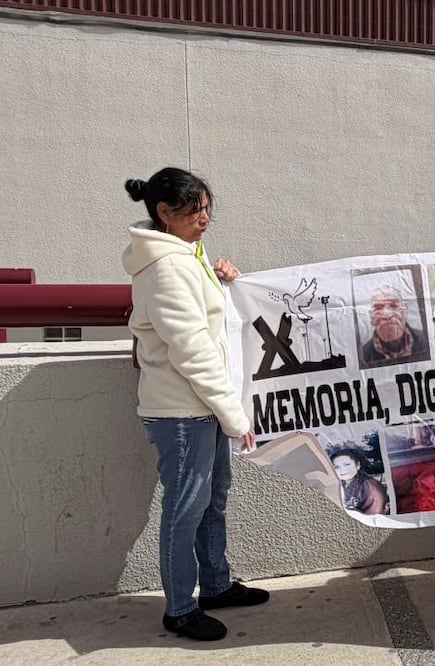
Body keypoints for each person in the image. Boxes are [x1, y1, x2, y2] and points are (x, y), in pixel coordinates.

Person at [122, 168, 268, 642]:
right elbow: (192, 349)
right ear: (164, 212)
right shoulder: (167, 267)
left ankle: (217, 584)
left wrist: (227, 278)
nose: (204, 218)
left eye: (207, 207)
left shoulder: (188, 255)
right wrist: (233, 413)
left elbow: (211, 322)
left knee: (212, 500)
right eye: (193, 209)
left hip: (199, 406)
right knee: (185, 508)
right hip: (182, 413)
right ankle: (180, 608)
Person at [361, 285, 429, 365]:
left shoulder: (428, 340)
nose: (387, 314)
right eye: (378, 308)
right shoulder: (363, 356)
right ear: (371, 317)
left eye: (394, 306)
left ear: (405, 312)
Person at [329, 445, 389, 515]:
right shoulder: (338, 485)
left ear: (357, 465)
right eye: (336, 467)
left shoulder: (371, 486)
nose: (342, 470)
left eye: (347, 464)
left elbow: (375, 514)